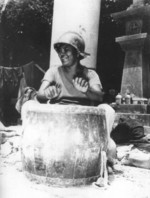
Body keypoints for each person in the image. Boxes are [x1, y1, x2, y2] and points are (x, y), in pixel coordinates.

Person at [37, 31, 104, 105]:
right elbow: (39, 95)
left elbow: (100, 97)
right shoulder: (53, 72)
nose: (62, 54)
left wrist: (87, 91)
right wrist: (48, 94)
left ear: (77, 53)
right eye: (60, 51)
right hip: (58, 112)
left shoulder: (90, 74)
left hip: (82, 113)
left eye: (66, 50)